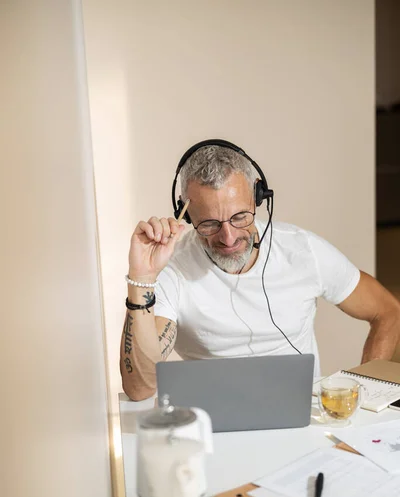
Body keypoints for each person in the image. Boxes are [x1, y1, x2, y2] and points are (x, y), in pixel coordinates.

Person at [120, 141, 400, 401]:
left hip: (303, 416)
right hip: (217, 422)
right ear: (186, 212)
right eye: (208, 224)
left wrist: (365, 393)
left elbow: (387, 311)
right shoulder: (174, 268)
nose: (228, 238)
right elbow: (141, 388)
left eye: (240, 217)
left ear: (258, 196)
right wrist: (142, 278)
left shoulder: (302, 250)